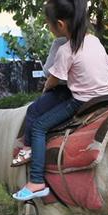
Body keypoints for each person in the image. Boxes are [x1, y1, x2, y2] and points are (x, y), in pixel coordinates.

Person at [12, 0, 108, 201]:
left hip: (83, 100)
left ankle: (37, 180)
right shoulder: (94, 41)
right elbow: (106, 65)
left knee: (40, 125)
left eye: (48, 24)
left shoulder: (66, 50)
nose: (48, 28)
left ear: (60, 24)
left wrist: (45, 90)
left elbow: (53, 79)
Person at [10, 34, 69, 167]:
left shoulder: (62, 43)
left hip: (66, 91)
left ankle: (28, 148)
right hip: (99, 91)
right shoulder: (91, 41)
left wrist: (47, 86)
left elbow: (49, 72)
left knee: (33, 113)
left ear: (60, 24)